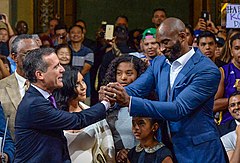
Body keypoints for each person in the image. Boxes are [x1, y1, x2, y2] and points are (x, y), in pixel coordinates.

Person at [100, 17, 226, 162]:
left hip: (199, 151)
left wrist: (130, 101)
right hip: (166, 149)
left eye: (166, 42)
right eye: (159, 43)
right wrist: (113, 94)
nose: (161, 49)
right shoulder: (160, 62)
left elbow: (178, 108)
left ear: (183, 37)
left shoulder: (207, 70)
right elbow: (136, 89)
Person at [14, 47, 111, 162]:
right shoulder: (34, 104)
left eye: (60, 65)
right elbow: (77, 120)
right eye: (56, 67)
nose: (62, 70)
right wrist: (106, 102)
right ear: (40, 75)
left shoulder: (44, 98)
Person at [53, 66, 115, 163]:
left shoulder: (95, 113)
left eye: (83, 81)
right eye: (77, 84)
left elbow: (109, 150)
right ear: (66, 86)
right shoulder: (53, 117)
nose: (83, 87)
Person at [102, 55, 148, 161]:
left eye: (129, 73)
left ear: (139, 76)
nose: (123, 77)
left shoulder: (146, 104)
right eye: (119, 73)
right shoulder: (108, 105)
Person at [0, 34, 40, 138]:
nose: (34, 58)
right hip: (13, 150)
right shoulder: (1, 87)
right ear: (14, 57)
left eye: (37, 53)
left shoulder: (50, 85)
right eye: (28, 53)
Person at [214, 33, 240, 125]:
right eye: (237, 48)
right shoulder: (224, 71)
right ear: (231, 51)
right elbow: (214, 105)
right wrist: (235, 100)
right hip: (228, 126)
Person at [220, 91, 240, 162]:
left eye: (239, 103)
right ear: (229, 109)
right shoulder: (223, 132)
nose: (237, 107)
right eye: (232, 105)